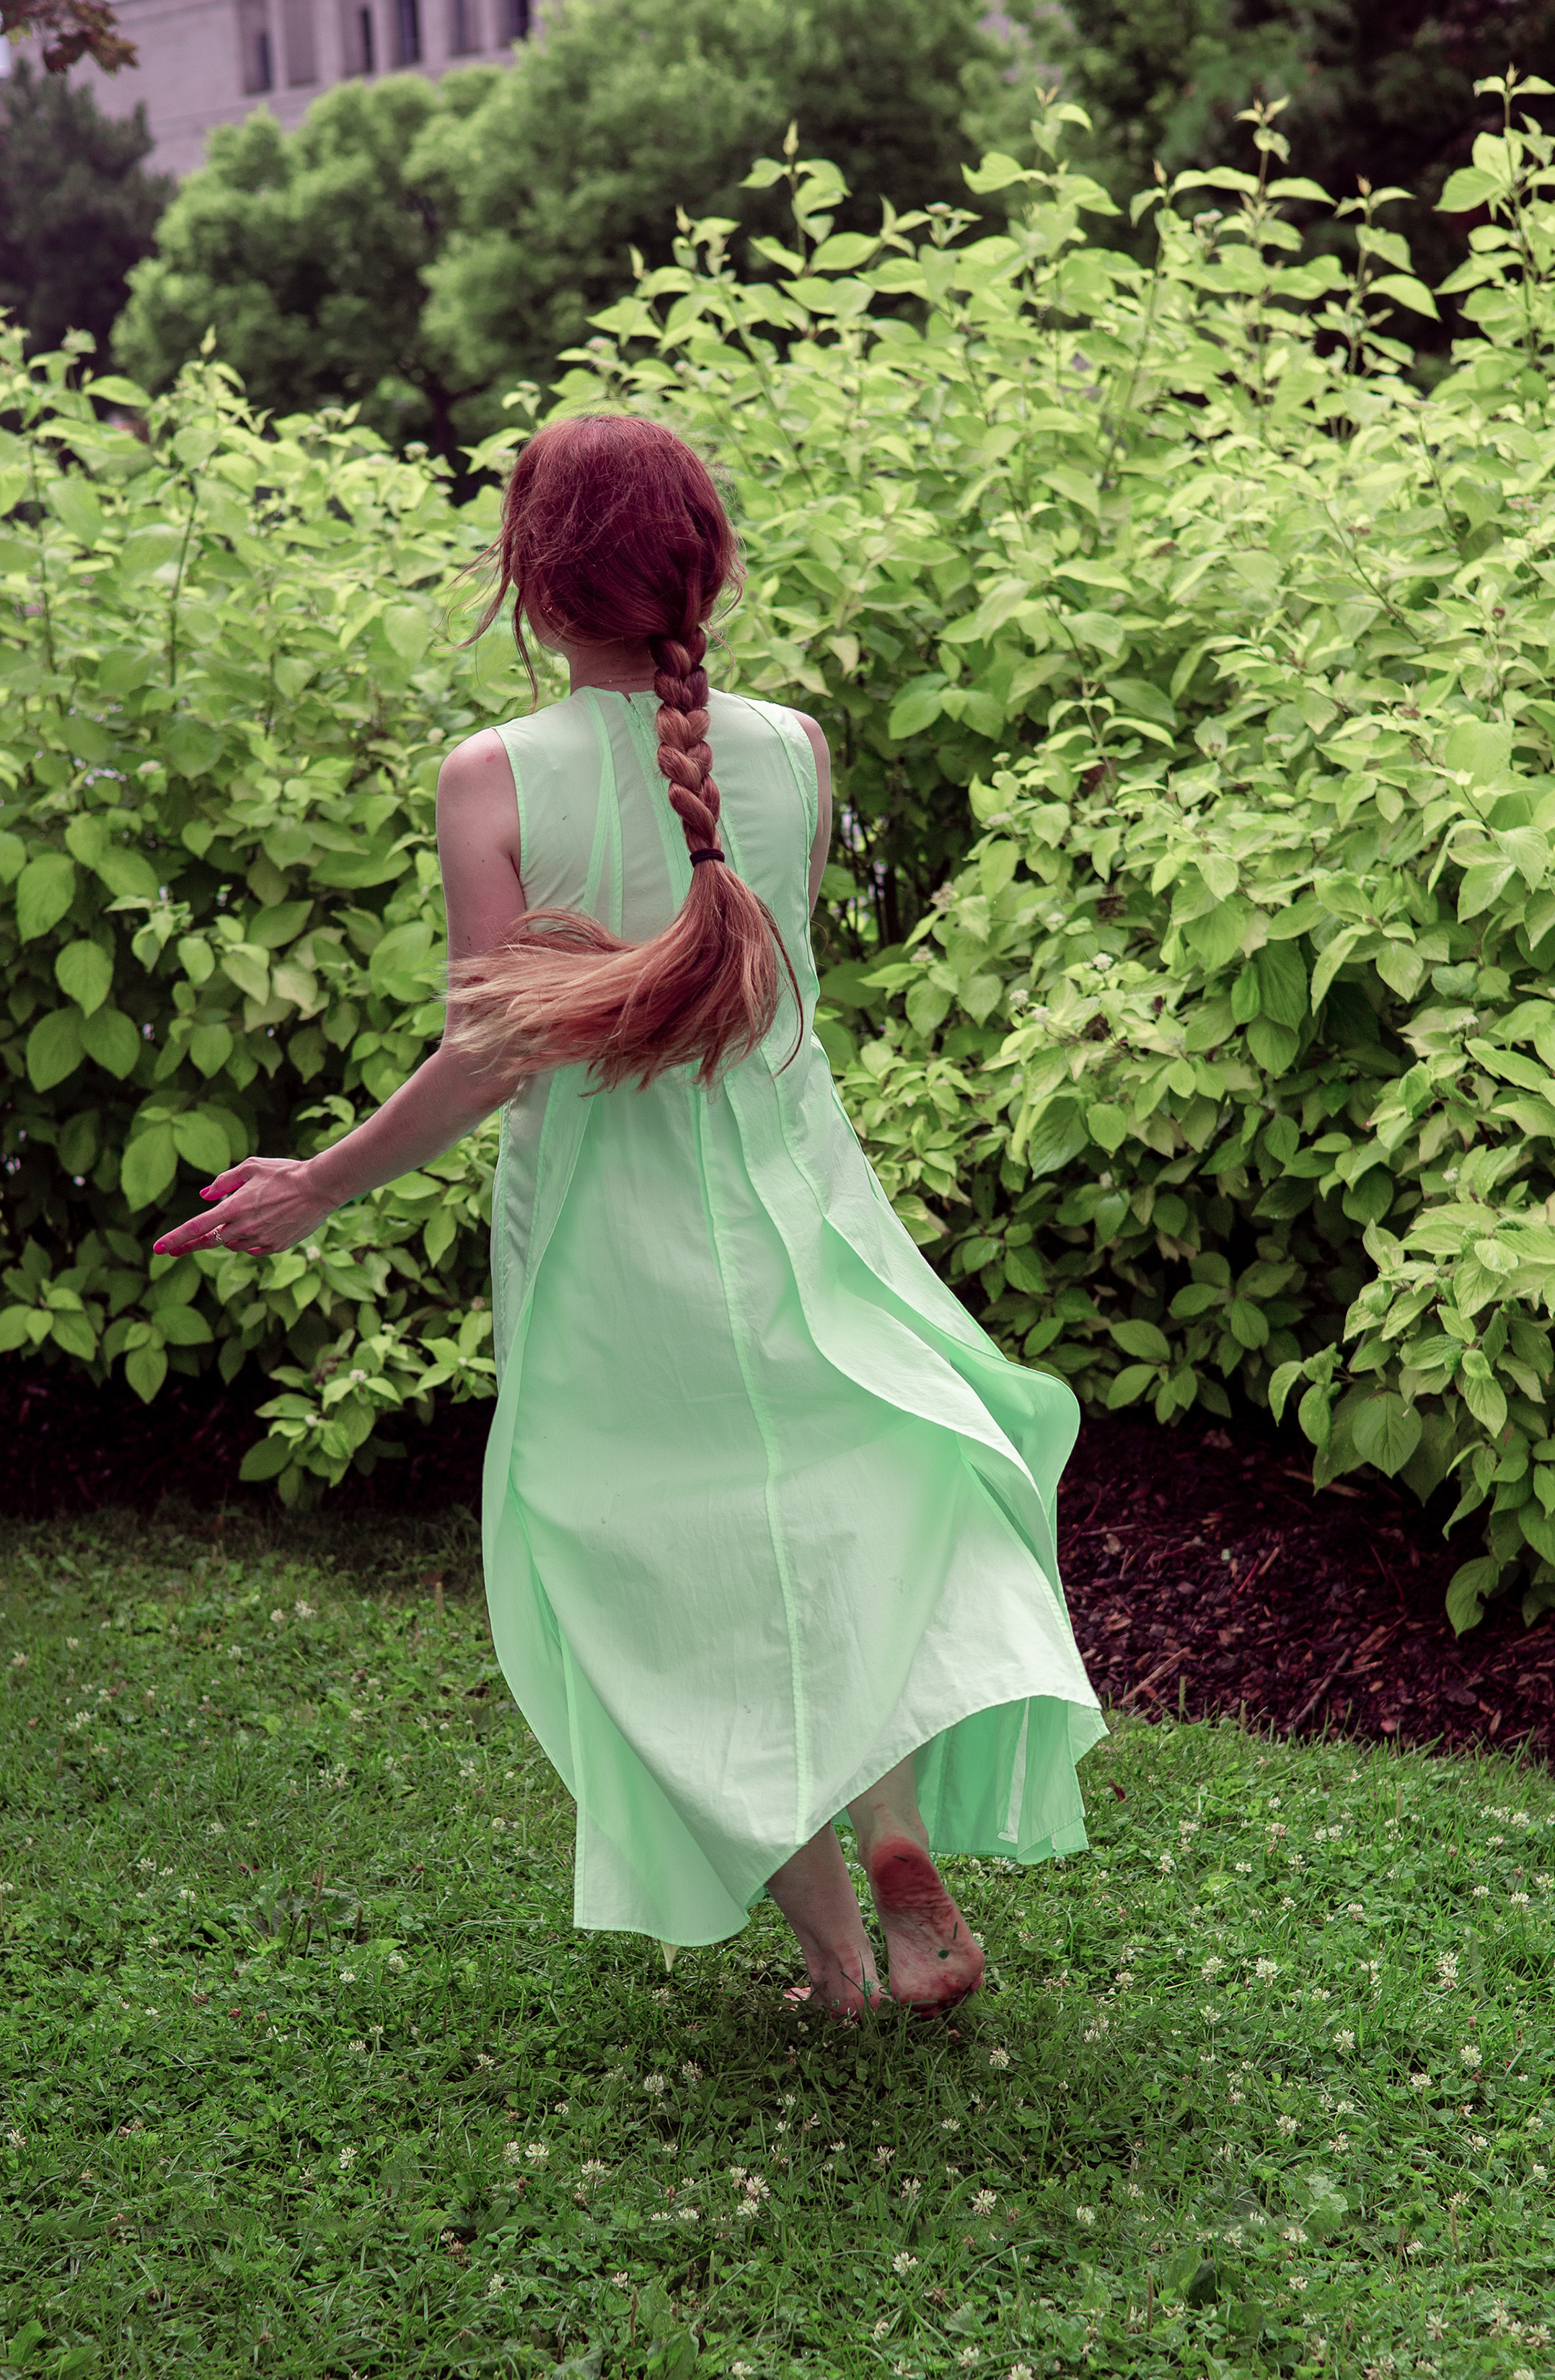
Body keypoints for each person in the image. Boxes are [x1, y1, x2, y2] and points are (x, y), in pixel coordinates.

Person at [154, 414, 1104, 2014]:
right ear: (706, 561)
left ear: (533, 583)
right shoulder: (793, 749)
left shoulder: (493, 777)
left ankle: (834, 1965)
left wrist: (316, 1186)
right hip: (802, 1213)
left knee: (662, 1580)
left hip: (613, 1241)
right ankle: (899, 1851)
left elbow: (490, 1055)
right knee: (839, 1520)